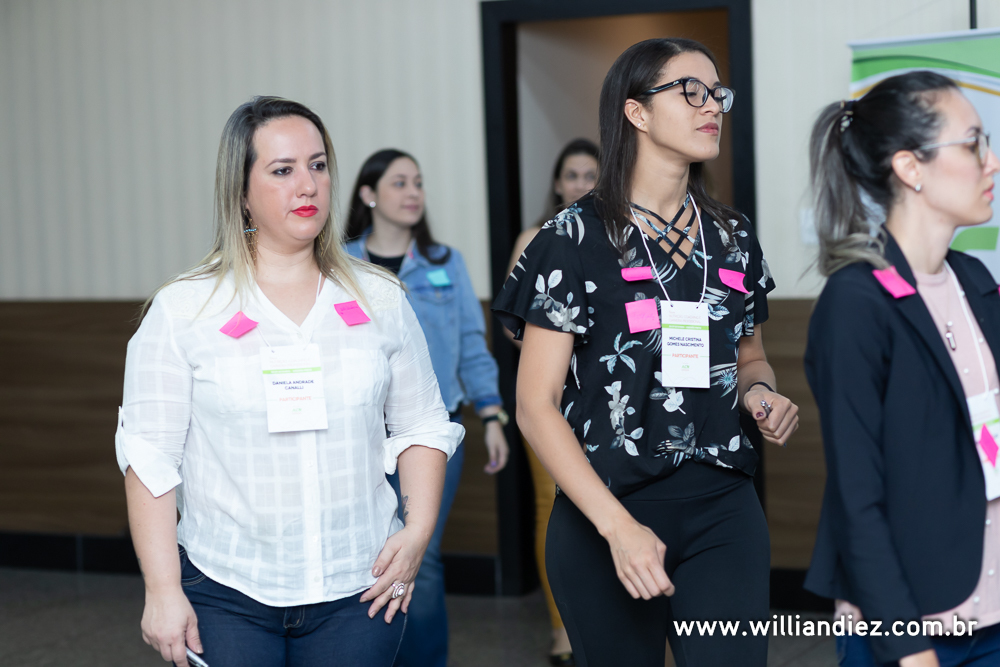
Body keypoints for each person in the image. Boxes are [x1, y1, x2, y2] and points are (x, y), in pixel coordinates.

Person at [116, 97, 464, 667]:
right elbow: (149, 456)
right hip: (226, 590)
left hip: (361, 588)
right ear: (241, 190)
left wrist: (419, 527)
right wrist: (161, 588)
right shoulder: (184, 310)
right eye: (282, 171)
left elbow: (422, 421)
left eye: (318, 165)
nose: (307, 186)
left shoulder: (379, 299)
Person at [493, 38, 798, 666]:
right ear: (635, 112)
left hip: (724, 509)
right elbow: (535, 405)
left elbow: (750, 358)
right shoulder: (568, 240)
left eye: (718, 93)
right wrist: (618, 528)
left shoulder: (733, 236)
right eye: (691, 91)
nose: (712, 105)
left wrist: (762, 394)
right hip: (607, 512)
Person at [804, 72, 1000, 667]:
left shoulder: (975, 280)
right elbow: (856, 497)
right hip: (911, 619)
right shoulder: (856, 304)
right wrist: (904, 643)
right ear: (911, 169)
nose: (990, 163)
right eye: (972, 144)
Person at [345, 148, 510, 667]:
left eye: (417, 182)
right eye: (399, 183)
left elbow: (469, 341)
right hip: (360, 435)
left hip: (432, 433)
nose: (413, 192)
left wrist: (491, 414)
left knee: (423, 556)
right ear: (369, 195)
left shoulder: (444, 263)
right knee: (365, 555)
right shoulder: (340, 262)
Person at [505, 137, 599, 667]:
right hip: (551, 396)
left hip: (610, 402)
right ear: (558, 183)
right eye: (572, 175)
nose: (581, 184)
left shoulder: (619, 235)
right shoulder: (535, 238)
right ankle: (562, 626)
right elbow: (521, 327)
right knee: (553, 507)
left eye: (591, 175)